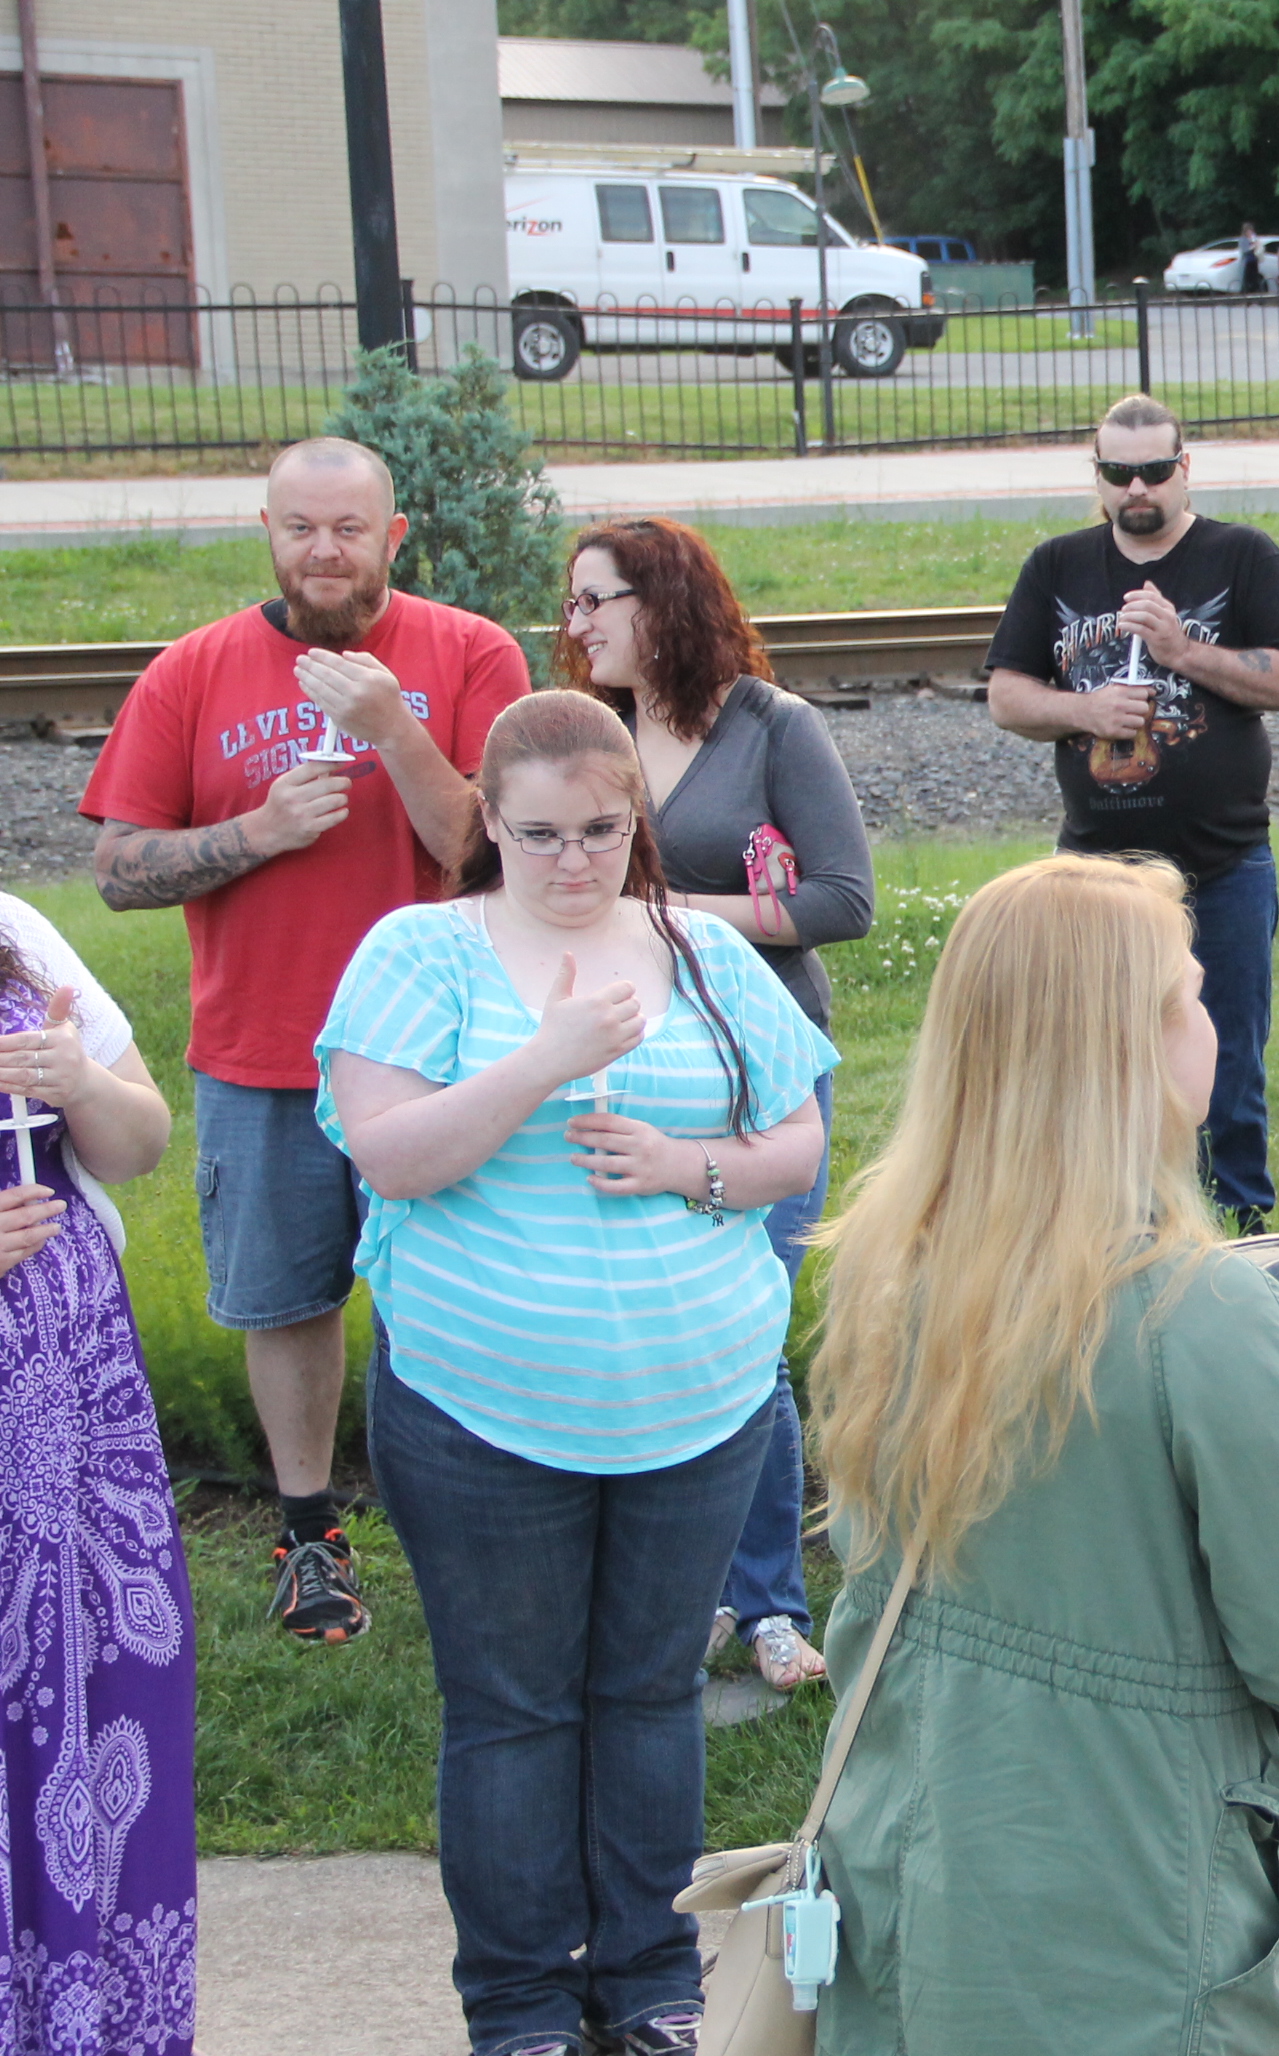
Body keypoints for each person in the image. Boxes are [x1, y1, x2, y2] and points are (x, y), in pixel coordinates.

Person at [319, 692, 834, 2056]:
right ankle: (523, 2003)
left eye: (603, 830)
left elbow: (796, 1144)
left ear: (635, 820)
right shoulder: (421, 953)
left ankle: (652, 1983)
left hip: (699, 1405)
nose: (574, 860)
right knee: (514, 1710)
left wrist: (686, 1165)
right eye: (541, 834)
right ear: (490, 821)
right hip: (482, 1412)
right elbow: (393, 1157)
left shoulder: (703, 951)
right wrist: (549, 1058)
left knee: (651, 1696)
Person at [805, 853, 1279, 2056]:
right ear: (1125, 1049)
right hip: (1132, 1914)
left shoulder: (888, 1264)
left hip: (916, 1874)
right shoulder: (1201, 1315)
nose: (1211, 1023)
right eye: (1190, 996)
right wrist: (1257, 1374)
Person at [79, 435, 527, 1643]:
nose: (323, 551)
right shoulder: (192, 671)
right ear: (267, 533)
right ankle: (309, 1532)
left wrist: (392, 729)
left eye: (348, 529)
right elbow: (117, 869)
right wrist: (257, 833)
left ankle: (473, 1526)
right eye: (300, 527)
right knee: (285, 1301)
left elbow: (495, 850)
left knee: (458, 1288)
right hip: (265, 1049)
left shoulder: (470, 653)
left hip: (443, 1055)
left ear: (393, 537)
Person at [558, 515, 877, 1700]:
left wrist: (677, 914)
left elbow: (843, 899)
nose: (576, 623)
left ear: (664, 605)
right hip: (629, 1064)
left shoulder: (769, 727)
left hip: (757, 1063)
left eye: (597, 600)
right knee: (657, 1321)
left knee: (747, 1321)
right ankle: (689, 1591)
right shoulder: (590, 734)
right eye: (571, 602)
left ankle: (770, 1600)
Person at [984, 394, 1279, 1230]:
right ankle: (1100, 1228)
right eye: (1118, 471)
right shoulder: (1056, 565)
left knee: (1227, 1066)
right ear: (1097, 473)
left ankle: (1232, 1232)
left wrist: (1181, 650)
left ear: (1185, 468)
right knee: (1086, 1062)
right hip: (1094, 876)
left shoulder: (1242, 557)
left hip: (1223, 868)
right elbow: (1006, 695)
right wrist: (1085, 710)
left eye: (1155, 470)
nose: (1137, 488)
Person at [0, 891, 190, 2056]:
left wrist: (80, 1081)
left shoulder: (13, 926)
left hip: (73, 1412)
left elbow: (141, 1139)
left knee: (98, 1695)